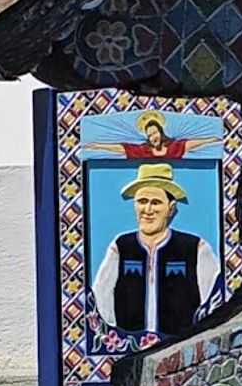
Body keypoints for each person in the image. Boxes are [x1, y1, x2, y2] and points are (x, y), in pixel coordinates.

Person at [92, 163, 221, 337]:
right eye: (142, 201)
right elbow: (101, 296)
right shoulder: (121, 247)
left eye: (156, 203)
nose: (148, 210)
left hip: (182, 346)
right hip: (130, 346)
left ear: (171, 208)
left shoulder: (195, 247)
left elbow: (214, 300)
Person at [88, 110, 222, 160]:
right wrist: (98, 146)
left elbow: (191, 144)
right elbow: (122, 148)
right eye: (150, 135)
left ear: (161, 132)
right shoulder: (143, 151)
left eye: (155, 133)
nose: (153, 137)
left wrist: (212, 140)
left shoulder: (174, 148)